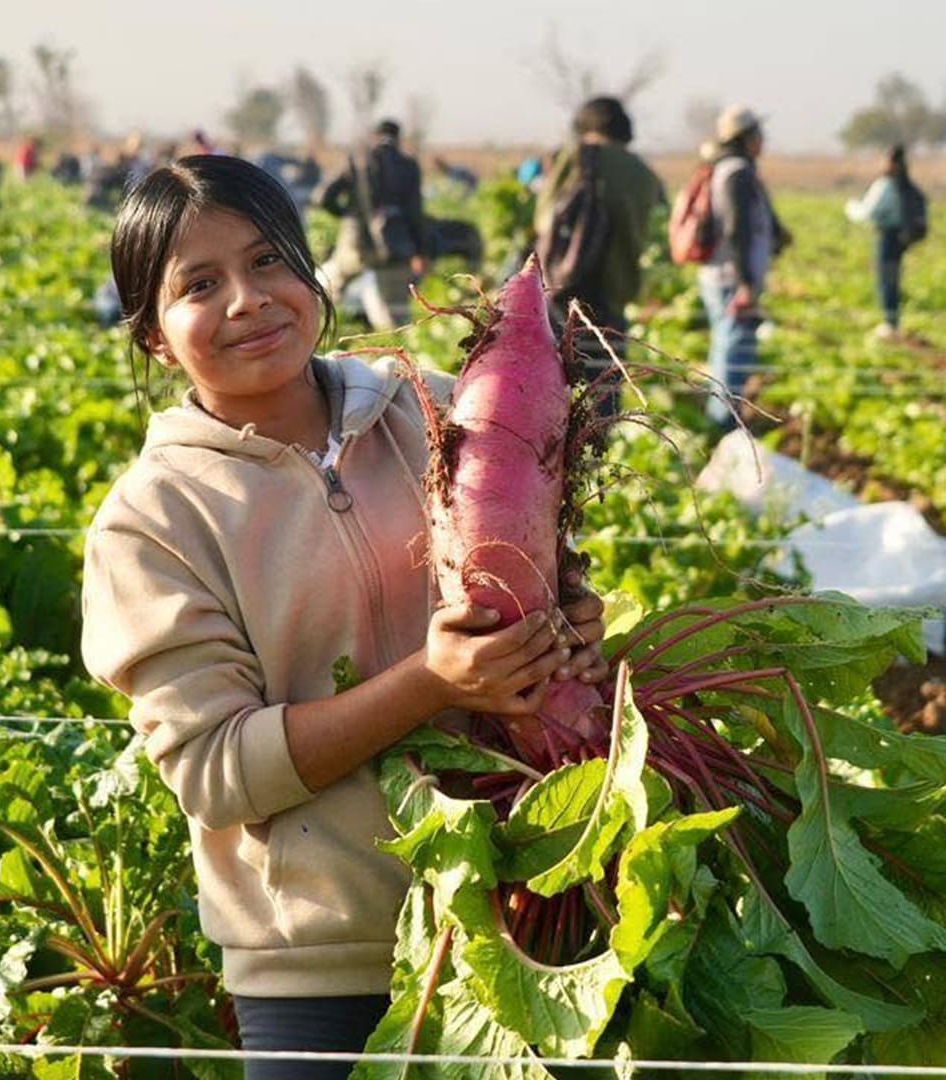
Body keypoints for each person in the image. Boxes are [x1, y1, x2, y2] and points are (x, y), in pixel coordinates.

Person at [81, 153, 608, 1080]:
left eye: (269, 262)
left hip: (520, 914)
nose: (249, 300)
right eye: (200, 285)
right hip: (318, 968)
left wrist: (565, 635)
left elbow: (540, 586)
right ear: (156, 337)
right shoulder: (152, 520)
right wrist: (430, 684)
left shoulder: (438, 412)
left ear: (311, 271)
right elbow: (215, 773)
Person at [531, 96, 664, 417]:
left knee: (550, 391)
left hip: (562, 291)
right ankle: (595, 461)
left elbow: (543, 218)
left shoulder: (575, 158)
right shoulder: (643, 174)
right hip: (613, 296)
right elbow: (651, 233)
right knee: (602, 395)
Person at [698, 106, 784, 431]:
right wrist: (747, 283)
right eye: (759, 134)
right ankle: (723, 425)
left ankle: (721, 421)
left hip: (724, 276)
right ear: (747, 138)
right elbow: (738, 230)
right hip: (732, 279)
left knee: (728, 346)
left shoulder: (727, 169)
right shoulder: (737, 172)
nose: (763, 141)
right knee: (734, 351)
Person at [316, 118, 429, 331]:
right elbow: (415, 212)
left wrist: (348, 215)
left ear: (374, 137)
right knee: (395, 311)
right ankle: (396, 344)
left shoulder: (357, 162)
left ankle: (329, 330)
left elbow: (323, 198)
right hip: (394, 245)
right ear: (398, 138)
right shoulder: (408, 166)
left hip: (355, 243)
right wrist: (420, 251)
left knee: (334, 287)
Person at [846, 143, 923, 342]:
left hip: (888, 236)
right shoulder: (905, 184)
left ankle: (890, 324)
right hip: (901, 238)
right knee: (893, 279)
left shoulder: (886, 185)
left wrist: (851, 207)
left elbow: (867, 212)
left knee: (886, 280)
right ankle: (892, 321)